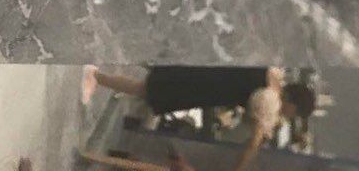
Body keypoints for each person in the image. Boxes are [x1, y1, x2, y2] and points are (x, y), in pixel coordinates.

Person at [82, 66, 316, 171]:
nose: (289, 115)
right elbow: (254, 140)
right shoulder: (271, 99)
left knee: (149, 88)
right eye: (294, 113)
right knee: (148, 90)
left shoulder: (272, 74)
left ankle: (98, 77)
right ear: (292, 104)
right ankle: (96, 76)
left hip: (206, 76)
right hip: (203, 90)